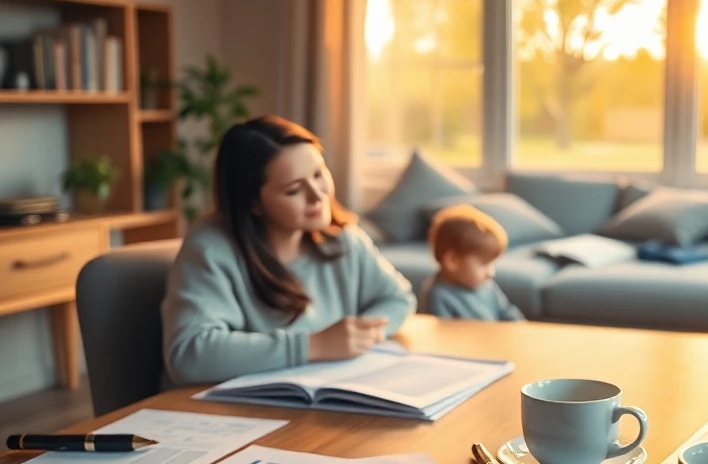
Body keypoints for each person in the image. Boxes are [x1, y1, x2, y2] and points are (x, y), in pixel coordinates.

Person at [162, 116, 415, 385]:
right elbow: (188, 355)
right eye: (294, 190)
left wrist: (356, 337)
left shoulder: (342, 239)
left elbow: (398, 299)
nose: (318, 196)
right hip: (223, 412)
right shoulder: (211, 248)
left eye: (318, 174)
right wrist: (314, 346)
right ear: (254, 204)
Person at [419, 204, 524, 322]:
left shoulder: (487, 285)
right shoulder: (439, 295)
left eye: (491, 264)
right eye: (484, 264)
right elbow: (443, 336)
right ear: (452, 261)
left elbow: (507, 313)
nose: (491, 273)